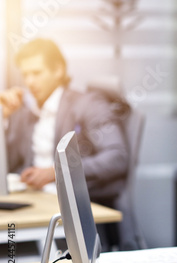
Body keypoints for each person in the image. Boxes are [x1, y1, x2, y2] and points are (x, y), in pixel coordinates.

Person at [0, 38, 129, 248]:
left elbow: (117, 157)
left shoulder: (88, 104)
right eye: (25, 75)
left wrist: (56, 172)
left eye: (37, 73)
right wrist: (3, 118)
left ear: (58, 70)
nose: (30, 82)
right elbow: (11, 163)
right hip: (35, 203)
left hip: (71, 211)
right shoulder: (27, 113)